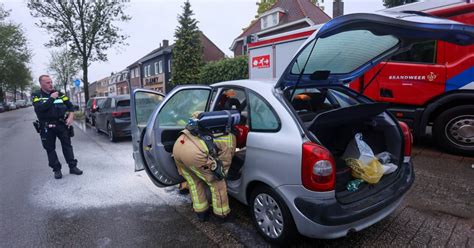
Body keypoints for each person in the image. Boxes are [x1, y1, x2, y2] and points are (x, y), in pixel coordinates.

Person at [173, 111, 237, 222]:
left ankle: (201, 213)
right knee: (218, 184)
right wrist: (221, 174)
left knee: (194, 181)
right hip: (194, 153)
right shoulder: (230, 137)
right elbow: (225, 161)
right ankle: (222, 214)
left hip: (179, 144)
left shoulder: (204, 125)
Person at [32, 75, 83, 179]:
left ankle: (72, 167)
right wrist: (51, 98)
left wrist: (71, 116)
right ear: (41, 84)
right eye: (48, 83)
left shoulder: (59, 94)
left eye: (51, 82)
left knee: (67, 146)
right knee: (50, 149)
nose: (51, 84)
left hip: (61, 124)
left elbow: (70, 106)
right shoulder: (36, 95)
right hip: (46, 126)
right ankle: (57, 170)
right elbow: (41, 109)